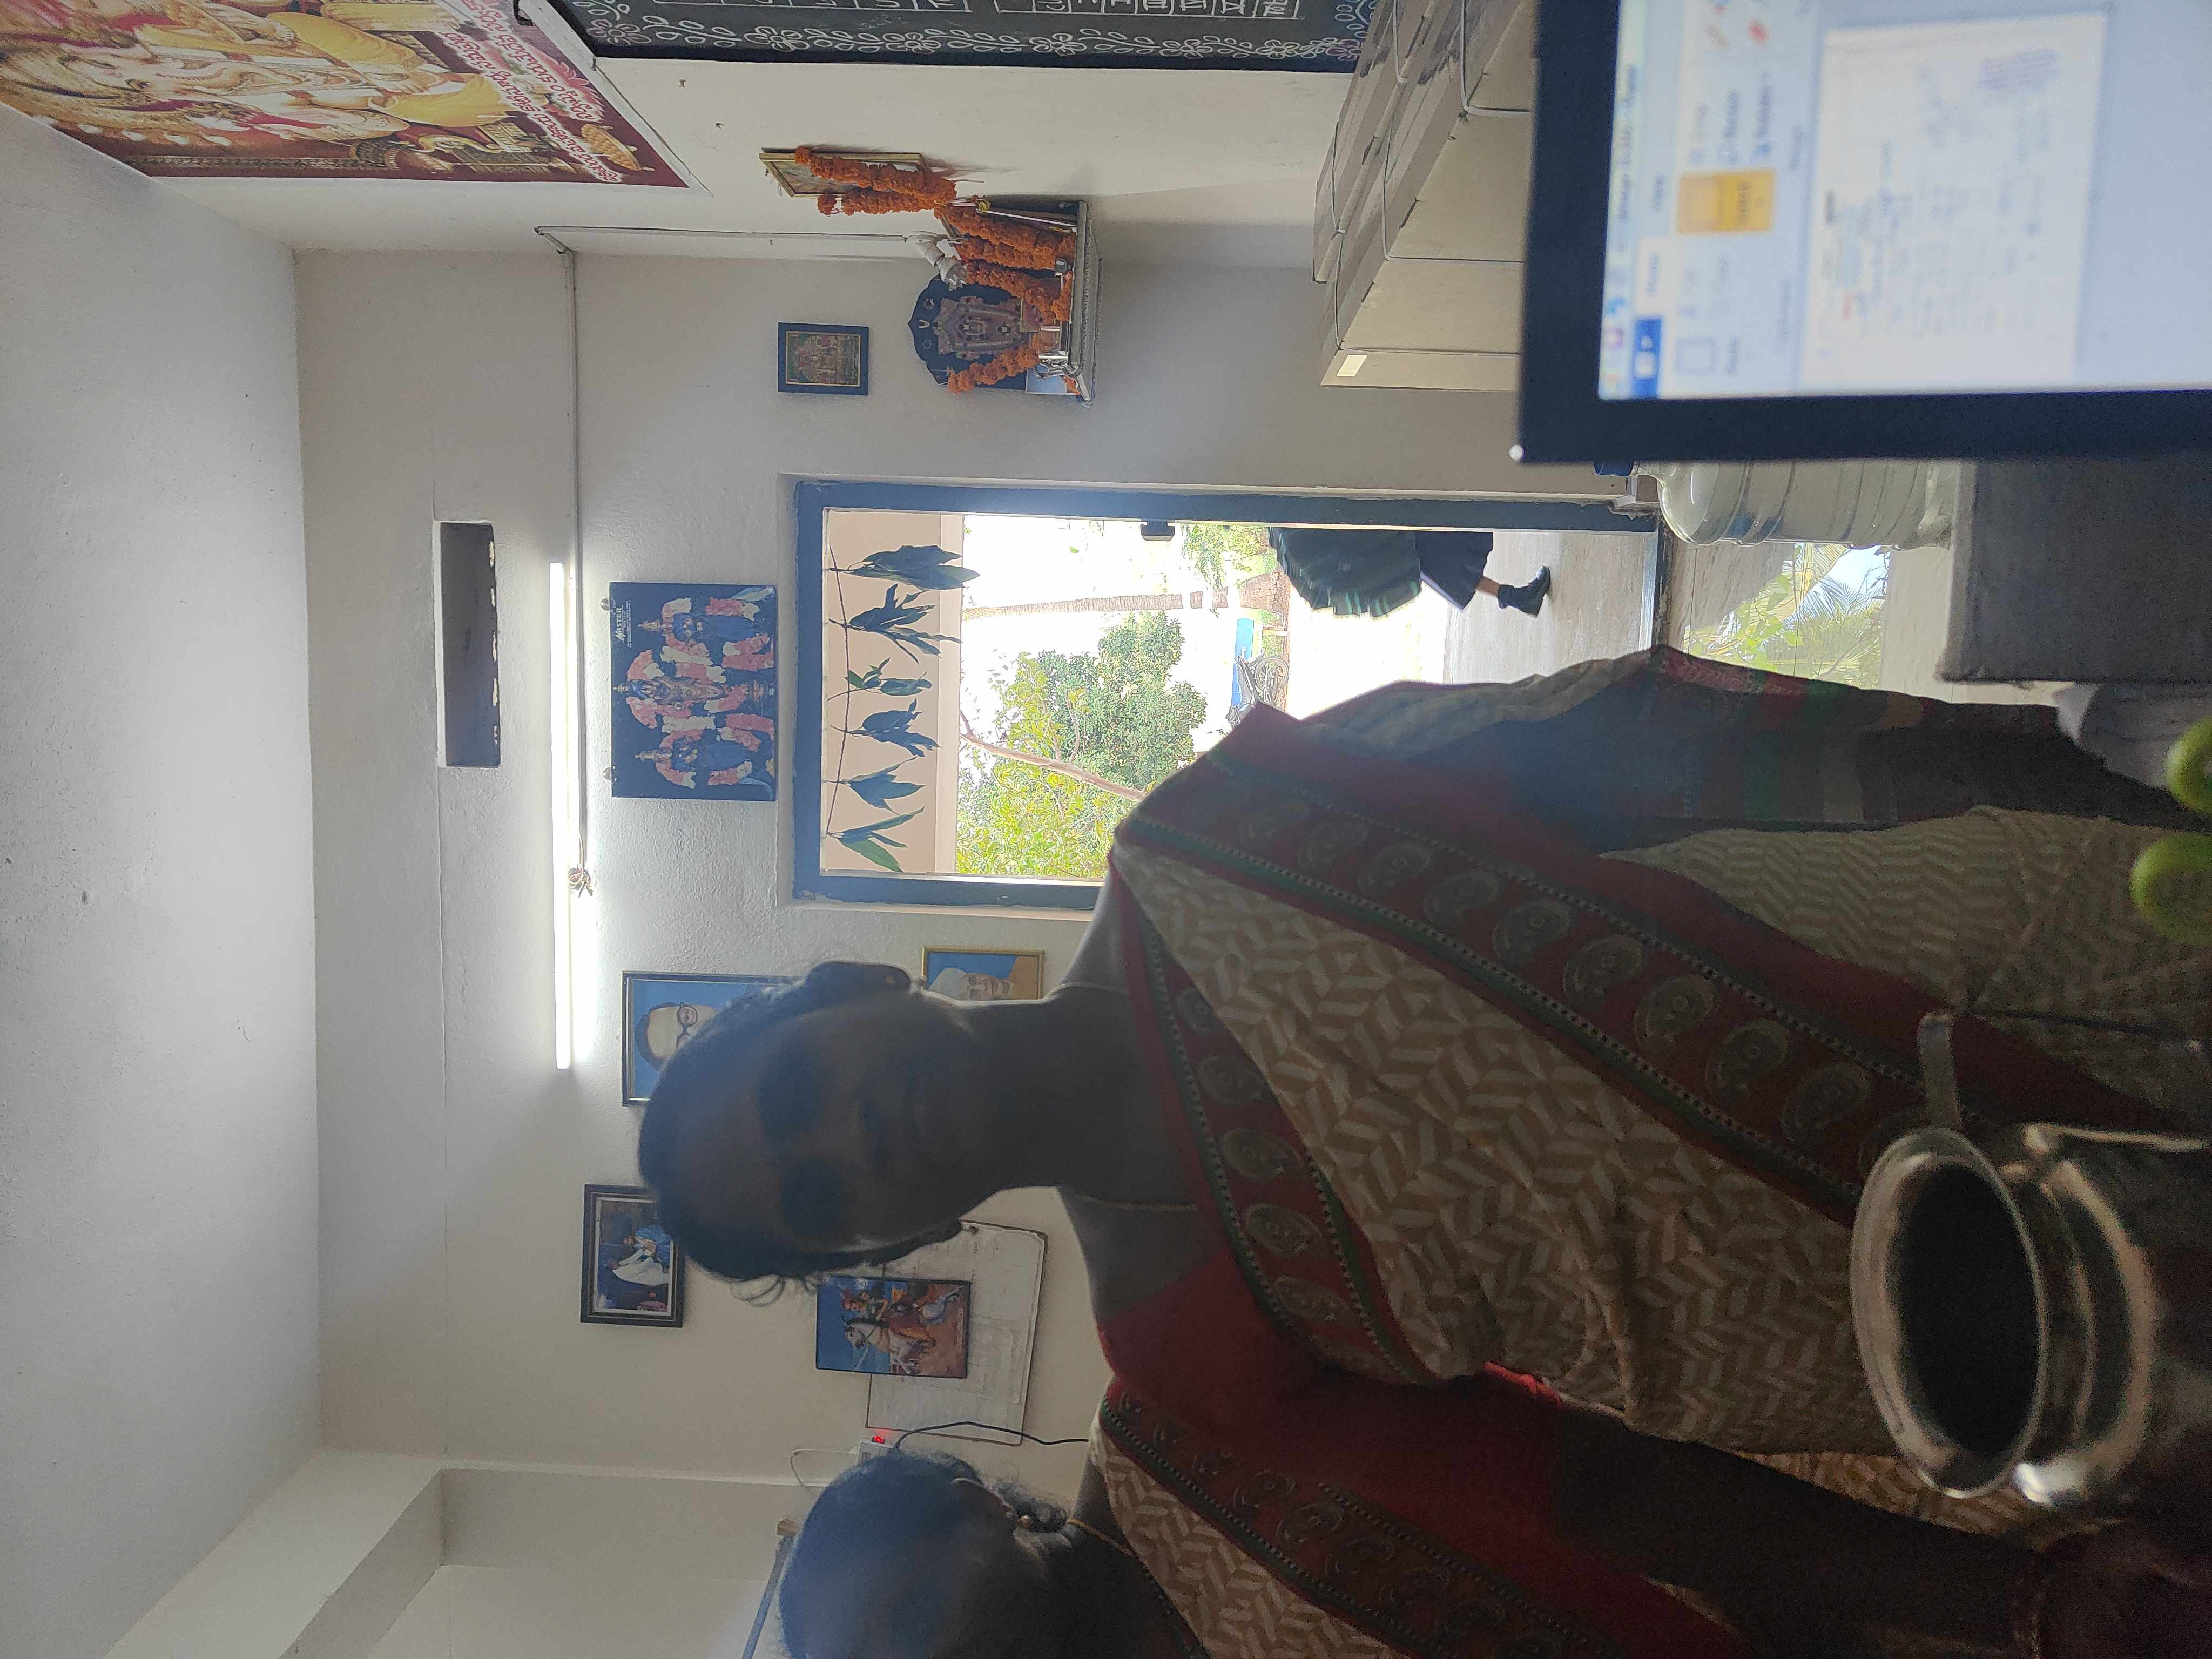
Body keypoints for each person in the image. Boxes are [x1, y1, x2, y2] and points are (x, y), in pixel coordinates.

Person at [640, 648, 2212, 1655]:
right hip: (1969, 1353)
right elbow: (1603, 1487)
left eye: (797, 1093)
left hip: (2015, 956)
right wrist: (2018, 1597)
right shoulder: (1183, 1349)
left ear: (848, 986)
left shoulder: (1210, 836)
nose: (846, 1139)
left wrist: (2068, 761)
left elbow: (1622, 736)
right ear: (883, 1249)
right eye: (820, 1200)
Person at [778, 1440, 2211, 1659]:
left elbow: (1607, 1475)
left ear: (970, 1503)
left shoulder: (1185, 1431)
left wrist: (2011, 1596)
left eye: (899, 1617)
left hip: (1871, 1569)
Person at [1266, 527, 1551, 619]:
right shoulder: (1284, 526)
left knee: (1439, 562)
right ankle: (1515, 597)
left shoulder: (1278, 526)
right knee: (1439, 554)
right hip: (1379, 545)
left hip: (1380, 549)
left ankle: (1514, 597)